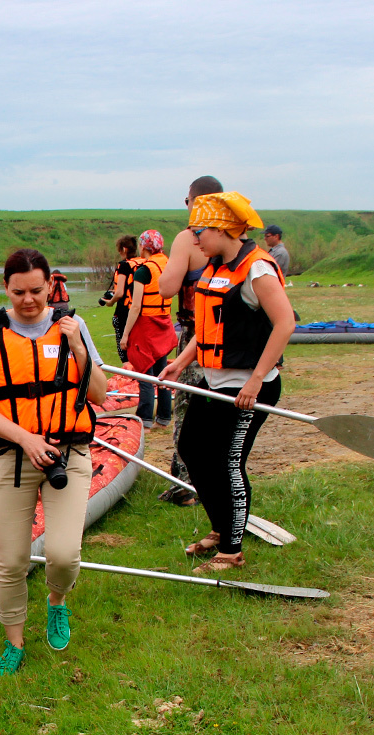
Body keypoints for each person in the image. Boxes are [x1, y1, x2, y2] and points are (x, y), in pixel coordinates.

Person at [0, 248, 108, 676]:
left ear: (50, 286)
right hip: (12, 458)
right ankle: (15, 643)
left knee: (63, 554)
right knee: (11, 562)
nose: (29, 300)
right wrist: (25, 438)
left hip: (70, 455)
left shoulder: (71, 328)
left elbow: (98, 393)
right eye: (19, 291)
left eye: (37, 291)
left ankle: (57, 601)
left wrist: (79, 345)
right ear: (6, 288)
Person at [160, 192, 296, 573]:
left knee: (228, 463)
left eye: (197, 230)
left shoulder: (258, 270)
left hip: (250, 388)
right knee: (192, 449)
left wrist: (254, 382)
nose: (194, 238)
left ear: (221, 229)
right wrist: (180, 363)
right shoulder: (215, 267)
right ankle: (222, 529)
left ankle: (232, 551)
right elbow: (207, 330)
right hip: (214, 382)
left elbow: (285, 324)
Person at [155, 174, 224, 504]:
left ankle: (187, 487)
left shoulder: (188, 239)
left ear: (196, 202)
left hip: (198, 336)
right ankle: (210, 478)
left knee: (187, 409)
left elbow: (167, 288)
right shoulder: (234, 237)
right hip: (231, 338)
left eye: (187, 201)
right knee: (219, 411)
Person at [118, 230, 175, 427]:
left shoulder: (144, 270)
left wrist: (125, 335)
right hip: (164, 322)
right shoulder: (167, 263)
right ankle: (164, 417)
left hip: (147, 326)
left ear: (144, 246)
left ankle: (146, 420)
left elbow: (135, 306)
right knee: (163, 374)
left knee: (144, 374)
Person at [98, 235, 138, 361]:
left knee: (124, 350)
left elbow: (120, 292)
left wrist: (111, 301)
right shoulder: (143, 263)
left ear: (124, 249)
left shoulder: (124, 266)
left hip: (124, 311)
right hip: (138, 312)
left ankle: (127, 375)